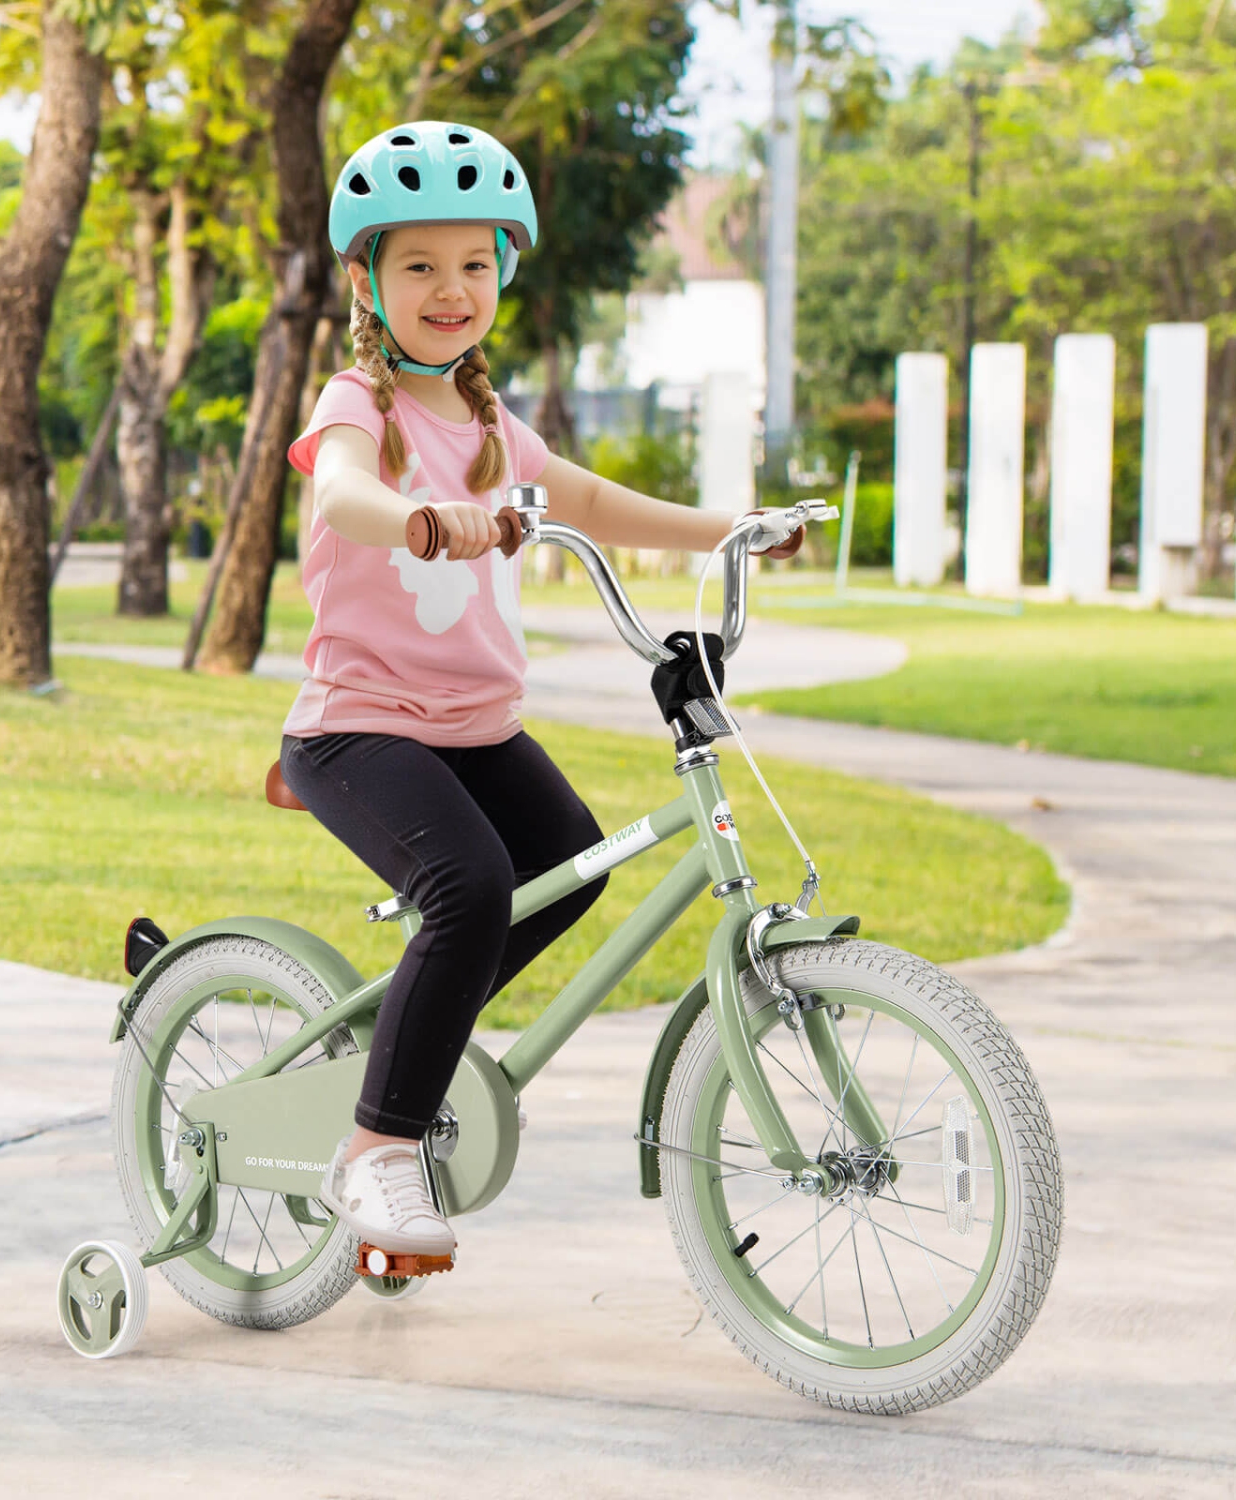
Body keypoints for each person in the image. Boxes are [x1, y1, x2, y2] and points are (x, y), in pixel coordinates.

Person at [281, 121, 781, 1262]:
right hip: (358, 729)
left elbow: (595, 505)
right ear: (369, 279)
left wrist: (736, 528)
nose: (449, 289)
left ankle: (411, 1029)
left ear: (501, 271)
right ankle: (377, 1147)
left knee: (564, 872)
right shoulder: (359, 399)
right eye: (418, 265)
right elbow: (344, 493)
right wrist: (420, 516)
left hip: (475, 728)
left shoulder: (493, 422)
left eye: (473, 264)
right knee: (469, 886)